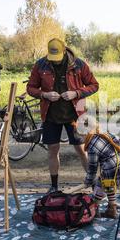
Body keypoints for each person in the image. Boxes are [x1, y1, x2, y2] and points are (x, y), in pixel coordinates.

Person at [27, 38, 99, 193]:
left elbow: (94, 85)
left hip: (75, 114)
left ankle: (93, 184)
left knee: (81, 149)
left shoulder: (79, 64)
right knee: (53, 150)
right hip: (51, 115)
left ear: (64, 50)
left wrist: (76, 93)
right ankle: (54, 186)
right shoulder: (40, 65)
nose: (55, 61)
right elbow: (30, 88)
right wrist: (44, 94)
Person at [83, 126, 120, 219]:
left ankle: (95, 208)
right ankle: (112, 209)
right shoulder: (105, 133)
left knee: (102, 184)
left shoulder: (92, 146)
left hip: (111, 165)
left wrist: (88, 181)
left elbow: (92, 168)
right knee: (106, 184)